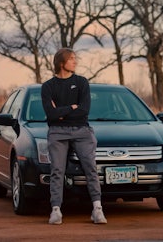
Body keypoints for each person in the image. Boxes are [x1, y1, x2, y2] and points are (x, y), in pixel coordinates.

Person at [41, 48, 107, 225]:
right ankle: (56, 211)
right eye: (71, 59)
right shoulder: (48, 87)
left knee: (90, 168)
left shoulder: (82, 82)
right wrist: (71, 108)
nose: (75, 62)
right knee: (57, 170)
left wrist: (61, 112)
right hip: (57, 132)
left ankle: (97, 209)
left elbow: (84, 111)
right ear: (61, 63)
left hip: (82, 131)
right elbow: (51, 114)